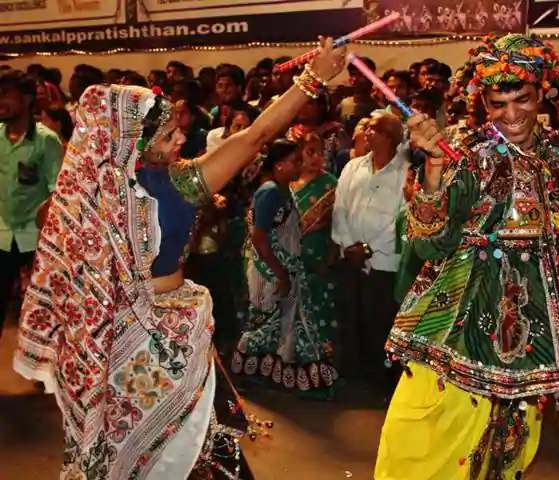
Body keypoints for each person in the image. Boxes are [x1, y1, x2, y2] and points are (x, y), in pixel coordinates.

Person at [14, 37, 347, 479]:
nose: (179, 140)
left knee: (166, 444)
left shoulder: (89, 195)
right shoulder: (146, 189)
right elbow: (256, 138)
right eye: (168, 135)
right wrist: (312, 80)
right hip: (132, 342)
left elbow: (257, 137)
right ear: (132, 139)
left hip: (145, 336)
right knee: (169, 447)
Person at [375, 34, 559, 480]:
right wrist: (436, 170)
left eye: (523, 99)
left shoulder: (555, 152)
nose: (512, 115)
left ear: (544, 94)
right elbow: (430, 242)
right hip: (465, 307)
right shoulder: (471, 157)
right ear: (484, 103)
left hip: (533, 312)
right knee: (430, 424)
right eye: (499, 104)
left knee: (514, 427)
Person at [231, 139, 339, 397]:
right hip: (271, 271)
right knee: (269, 323)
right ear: (279, 166)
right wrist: (280, 274)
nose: (301, 165)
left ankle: (274, 375)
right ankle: (248, 371)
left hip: (282, 268)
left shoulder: (280, 190)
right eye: (296, 161)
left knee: (285, 324)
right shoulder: (270, 192)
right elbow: (259, 237)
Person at [331, 113, 407, 397]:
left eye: (372, 128)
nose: (365, 131)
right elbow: (340, 207)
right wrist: (349, 244)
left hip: (383, 260)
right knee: (351, 315)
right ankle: (353, 374)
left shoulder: (404, 171)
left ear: (388, 137)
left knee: (380, 319)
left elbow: (401, 217)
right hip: (349, 256)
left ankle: (381, 380)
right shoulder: (353, 167)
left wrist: (368, 248)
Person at [0, 71, 63, 341]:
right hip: (1, 234)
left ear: (26, 100)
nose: (0, 101)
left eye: (6, 95)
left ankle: (46, 373)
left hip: (35, 239)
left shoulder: (46, 141)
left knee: (44, 310)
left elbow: (58, 194)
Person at [290, 133, 340, 372]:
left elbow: (338, 224)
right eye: (311, 151)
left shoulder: (331, 184)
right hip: (288, 257)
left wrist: (331, 255)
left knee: (317, 305)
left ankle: (318, 364)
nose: (317, 157)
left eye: (321, 152)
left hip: (318, 254)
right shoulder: (286, 182)